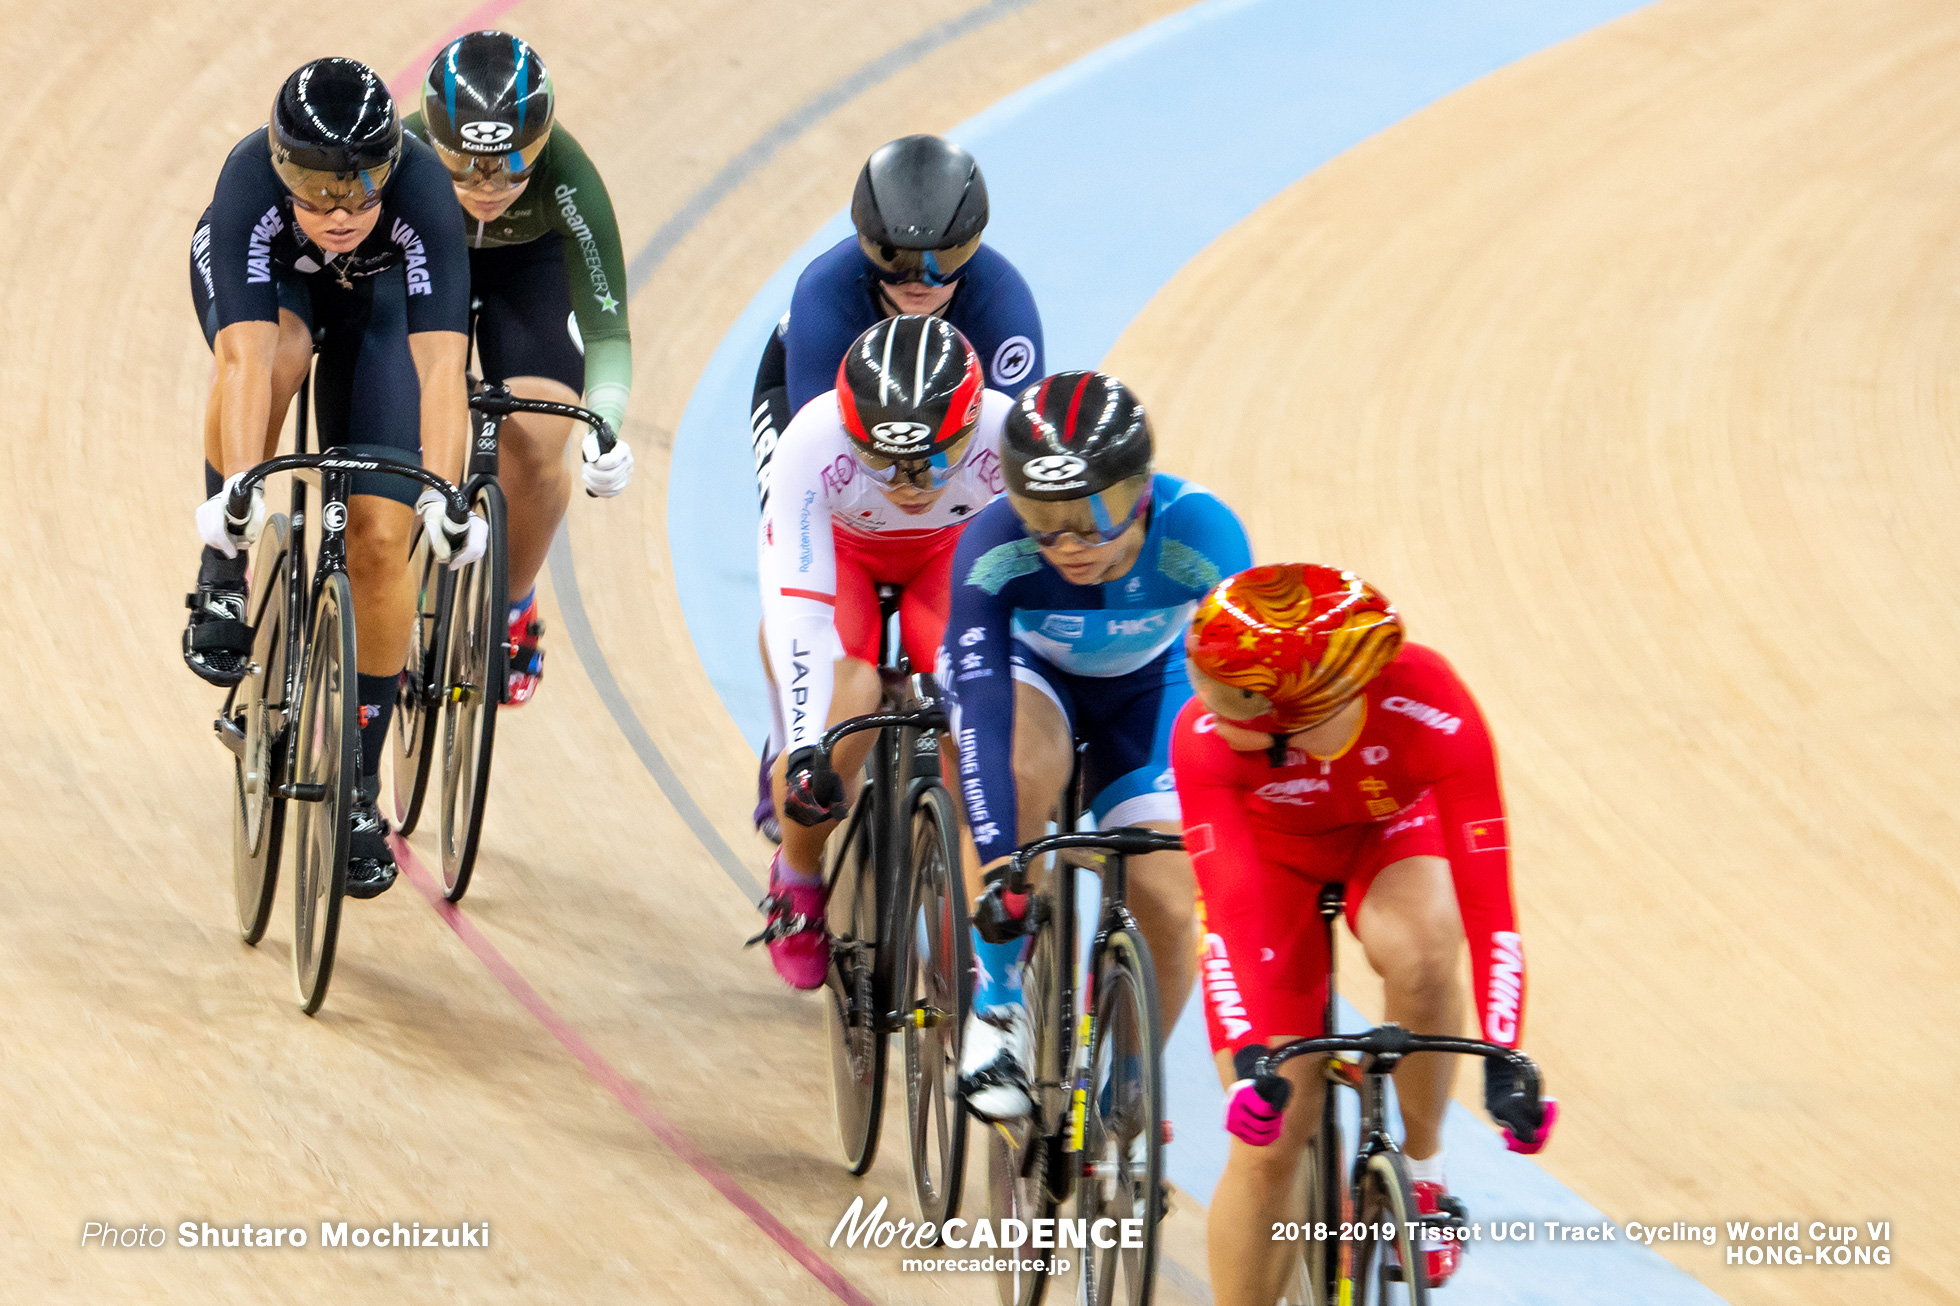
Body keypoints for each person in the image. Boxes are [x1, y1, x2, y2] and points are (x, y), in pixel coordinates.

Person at [1172, 564, 1557, 1303]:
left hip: (1386, 836)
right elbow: (1232, 909)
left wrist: (1507, 1057)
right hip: (1267, 865)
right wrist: (1254, 1053)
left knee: (1422, 951)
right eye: (1203, 679)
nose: (1205, 708)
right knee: (1270, 1142)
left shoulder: (1428, 701)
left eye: (1233, 695)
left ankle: (1422, 1167)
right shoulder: (1205, 739)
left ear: (1313, 700)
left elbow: (1490, 908)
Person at [185, 57, 477, 899]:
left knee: (386, 538)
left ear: (393, 166)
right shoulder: (248, 180)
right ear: (281, 169)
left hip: (380, 309)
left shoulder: (425, 196)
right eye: (315, 188)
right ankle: (222, 577)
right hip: (275, 293)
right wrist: (238, 492)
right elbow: (241, 362)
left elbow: (440, 374)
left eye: (360, 187)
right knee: (278, 352)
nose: (340, 209)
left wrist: (448, 498)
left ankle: (356, 783)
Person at [941, 371, 1251, 1121]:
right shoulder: (992, 549)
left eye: (1095, 514)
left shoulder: (1203, 535)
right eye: (1042, 516)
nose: (1070, 543)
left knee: (1171, 903)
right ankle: (999, 1007)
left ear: (1141, 491)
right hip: (1027, 672)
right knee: (1021, 771)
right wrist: (999, 871)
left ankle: (1130, 1081)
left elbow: (1243, 700)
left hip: (1149, 684)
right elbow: (981, 713)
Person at [747, 133, 1043, 839]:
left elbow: (1011, 474)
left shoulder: (1004, 308)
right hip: (823, 425)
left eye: (948, 258)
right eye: (898, 257)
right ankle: (787, 742)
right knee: (828, 651)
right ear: (863, 242)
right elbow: (827, 464)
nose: (924, 277)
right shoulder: (825, 296)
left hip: (938, 505)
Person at [751, 315, 1011, 987]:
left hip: (952, 556)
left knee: (974, 707)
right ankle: (799, 877)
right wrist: (806, 746)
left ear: (972, 428)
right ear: (849, 430)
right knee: (852, 700)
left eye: (932, 459)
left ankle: (977, 913)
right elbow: (801, 612)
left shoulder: (1008, 440)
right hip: (839, 560)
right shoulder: (810, 440)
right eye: (882, 458)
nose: (906, 480)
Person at [406, 30, 635, 705]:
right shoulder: (402, 152)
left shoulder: (569, 174)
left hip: (526, 273)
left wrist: (607, 423)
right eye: (466, 168)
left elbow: (609, 329)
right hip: (424, 255)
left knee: (537, 440)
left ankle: (513, 603)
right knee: (408, 404)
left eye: (510, 169)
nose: (487, 189)